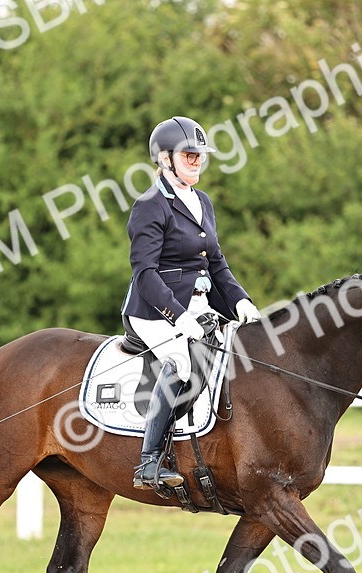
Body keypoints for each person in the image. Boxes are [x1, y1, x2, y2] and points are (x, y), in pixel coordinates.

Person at [122, 115, 262, 490]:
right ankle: (148, 463)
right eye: (189, 154)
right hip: (154, 311)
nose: (197, 160)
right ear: (165, 159)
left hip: (200, 307)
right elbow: (145, 274)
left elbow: (216, 264)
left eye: (200, 155)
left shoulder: (203, 201)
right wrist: (178, 317)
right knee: (181, 363)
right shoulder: (150, 205)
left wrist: (241, 302)